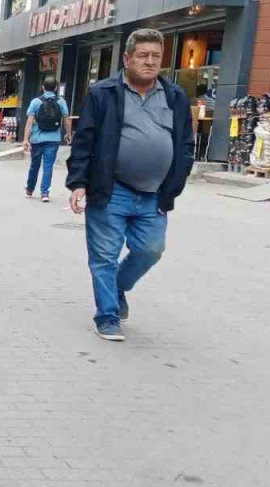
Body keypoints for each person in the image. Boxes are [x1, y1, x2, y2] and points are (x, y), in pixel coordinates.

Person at [66, 28, 194, 342]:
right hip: (111, 189)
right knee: (104, 257)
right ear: (127, 58)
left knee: (151, 250)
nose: (150, 62)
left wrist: (175, 182)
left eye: (156, 56)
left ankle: (118, 287)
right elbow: (85, 141)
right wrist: (78, 183)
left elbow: (185, 144)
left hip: (155, 194)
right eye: (143, 56)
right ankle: (107, 316)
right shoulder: (103, 93)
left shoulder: (175, 96)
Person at [23, 77, 72, 203]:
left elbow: (29, 122)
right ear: (56, 88)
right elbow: (66, 119)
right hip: (53, 139)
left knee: (35, 165)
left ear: (43, 87)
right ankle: (45, 193)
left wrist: (25, 139)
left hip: (37, 139)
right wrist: (68, 133)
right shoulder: (61, 102)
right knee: (48, 166)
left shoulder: (36, 102)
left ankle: (29, 189)